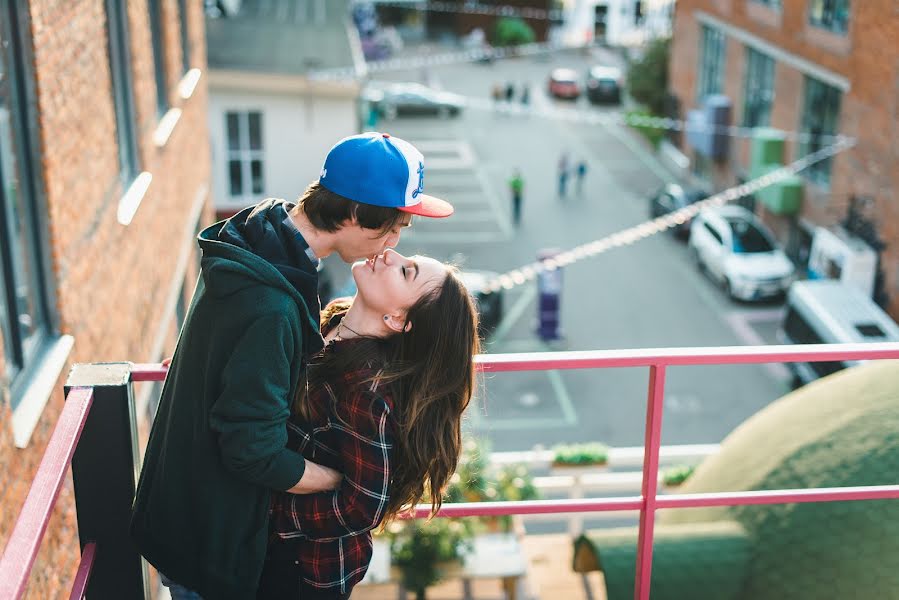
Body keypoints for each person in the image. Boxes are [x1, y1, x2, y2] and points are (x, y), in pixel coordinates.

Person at [131, 132, 454, 600]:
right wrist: (335, 479)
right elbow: (252, 451)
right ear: (358, 214)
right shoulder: (272, 304)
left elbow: (238, 349)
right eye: (394, 226)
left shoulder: (259, 234)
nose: (394, 243)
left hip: (183, 510)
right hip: (209, 544)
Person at [256, 249, 480, 598]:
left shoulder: (366, 388)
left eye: (407, 272)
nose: (391, 254)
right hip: (270, 547)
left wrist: (275, 513)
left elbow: (363, 506)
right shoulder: (336, 318)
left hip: (302, 570)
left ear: (396, 319)